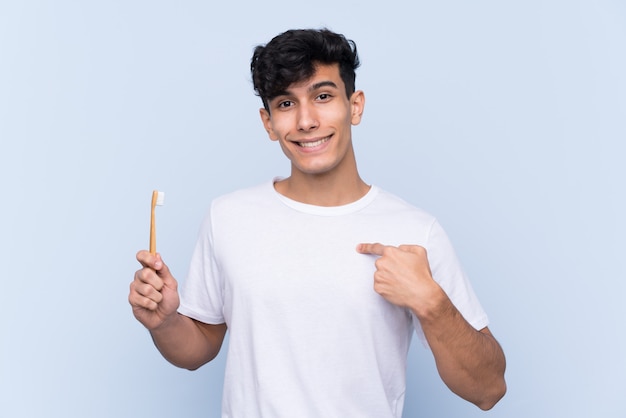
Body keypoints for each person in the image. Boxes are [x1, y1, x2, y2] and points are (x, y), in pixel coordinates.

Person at [129, 28, 506, 417]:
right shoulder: (228, 216)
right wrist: (166, 322)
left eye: (322, 96)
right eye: (286, 103)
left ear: (355, 106)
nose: (306, 121)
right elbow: (198, 349)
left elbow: (488, 389)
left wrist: (432, 302)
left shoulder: (414, 232)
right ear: (268, 121)